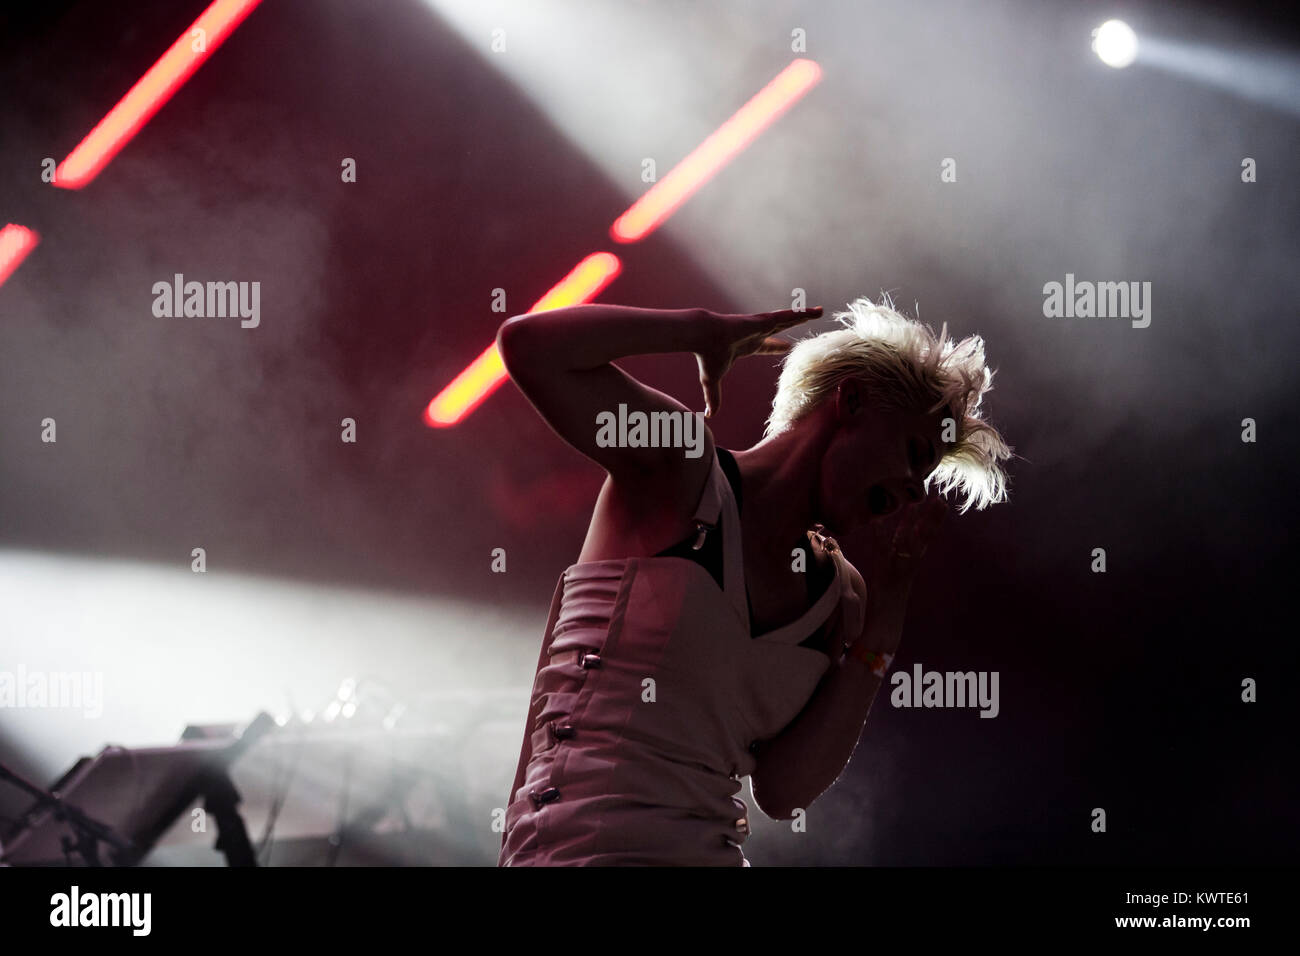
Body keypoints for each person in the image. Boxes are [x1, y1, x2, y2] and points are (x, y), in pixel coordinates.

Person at [495, 295, 1012, 866]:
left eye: (928, 475)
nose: (916, 489)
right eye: (915, 453)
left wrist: (882, 633)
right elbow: (530, 347)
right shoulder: (679, 465)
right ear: (853, 400)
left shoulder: (843, 598)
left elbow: (783, 792)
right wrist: (695, 328)